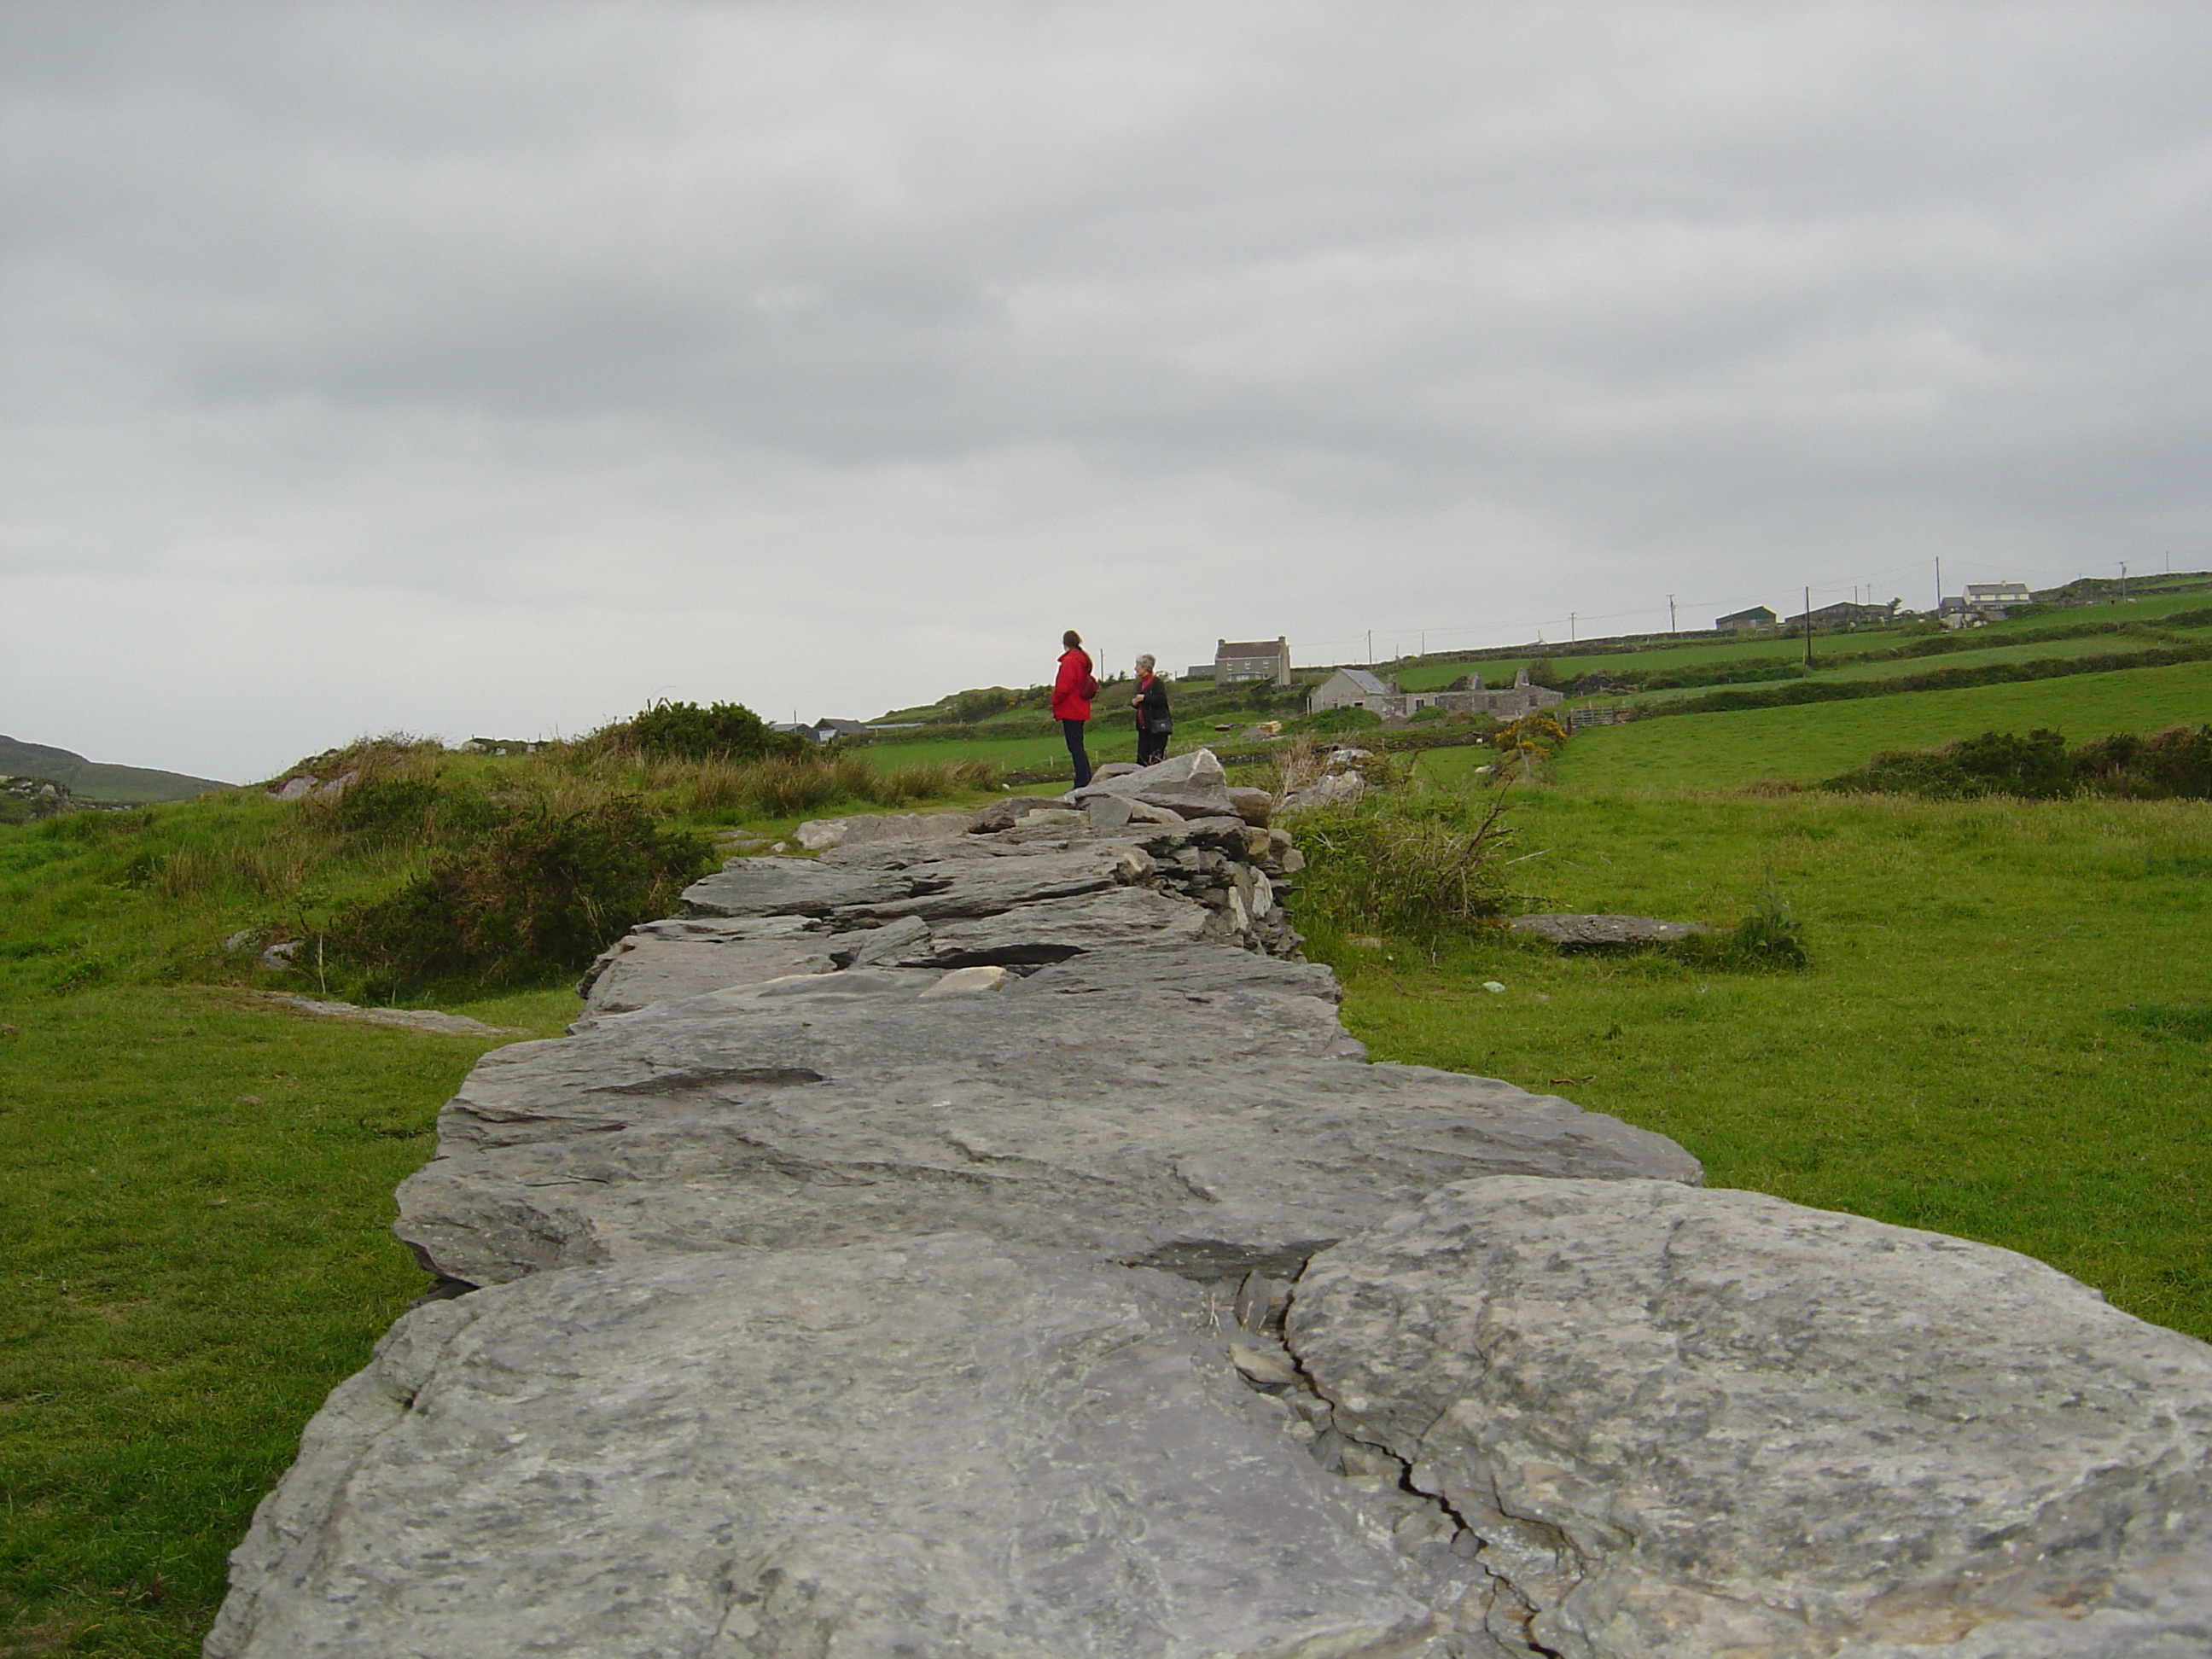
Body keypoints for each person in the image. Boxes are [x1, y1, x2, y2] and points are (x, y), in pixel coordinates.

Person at [1051, 629, 1097, 788]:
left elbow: (1063, 687)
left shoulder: (1070, 661)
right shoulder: (1082, 660)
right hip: (1080, 708)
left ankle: (1082, 780)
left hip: (1071, 708)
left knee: (1075, 746)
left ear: (1065, 644)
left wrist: (1054, 701)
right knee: (1078, 745)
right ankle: (1085, 777)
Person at [1130, 653, 1171, 765]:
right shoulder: (1140, 684)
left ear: (1145, 667)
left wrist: (1145, 698)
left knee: (1155, 758)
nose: (1135, 668)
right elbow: (1144, 704)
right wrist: (1135, 703)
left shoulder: (1156, 682)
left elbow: (1162, 699)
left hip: (1156, 728)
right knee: (1141, 760)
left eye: (1137, 665)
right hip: (1144, 728)